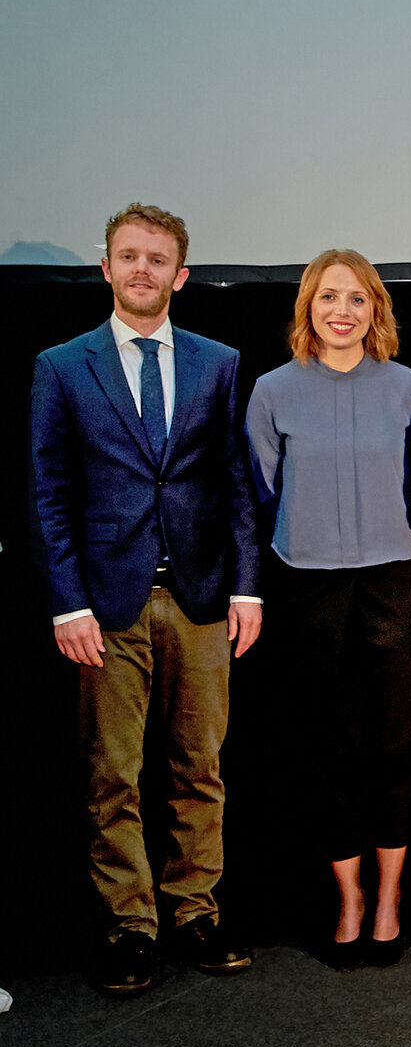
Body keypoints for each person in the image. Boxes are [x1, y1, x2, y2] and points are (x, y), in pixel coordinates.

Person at [30, 203, 260, 997]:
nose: (141, 270)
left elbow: (236, 481)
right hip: (105, 603)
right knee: (113, 775)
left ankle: (196, 908)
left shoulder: (219, 361)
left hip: (199, 599)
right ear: (106, 267)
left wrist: (247, 586)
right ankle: (131, 924)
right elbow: (49, 493)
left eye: (157, 259)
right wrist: (67, 603)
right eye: (128, 256)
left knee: (200, 766)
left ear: (180, 275)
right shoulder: (62, 366)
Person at [246, 250, 411, 969]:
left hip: (397, 583)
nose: (342, 311)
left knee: (394, 746)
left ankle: (388, 899)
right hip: (309, 585)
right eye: (328, 298)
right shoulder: (271, 391)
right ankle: (347, 899)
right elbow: (262, 489)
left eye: (357, 299)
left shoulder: (410, 388)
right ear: (308, 309)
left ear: (375, 310)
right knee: (327, 748)